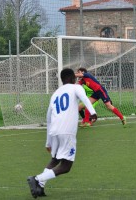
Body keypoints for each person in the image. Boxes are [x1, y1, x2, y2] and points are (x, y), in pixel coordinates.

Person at [27, 68, 97, 198]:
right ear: (72, 78)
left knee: (55, 159)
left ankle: (40, 187)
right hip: (67, 131)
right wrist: (93, 112)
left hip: (54, 131)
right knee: (66, 166)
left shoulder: (55, 94)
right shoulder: (76, 87)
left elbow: (48, 119)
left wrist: (48, 141)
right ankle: (37, 179)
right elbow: (84, 98)